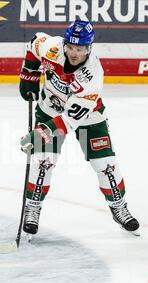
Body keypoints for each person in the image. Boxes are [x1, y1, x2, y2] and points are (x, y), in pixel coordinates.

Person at [18, 20, 139, 236]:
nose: (74, 53)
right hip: (50, 109)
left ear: (89, 48)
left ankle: (119, 207)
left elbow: (69, 121)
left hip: (88, 116)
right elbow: (34, 41)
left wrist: (39, 134)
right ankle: (32, 208)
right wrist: (29, 75)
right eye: (71, 47)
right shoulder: (53, 47)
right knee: (43, 162)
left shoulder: (93, 75)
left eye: (80, 49)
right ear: (65, 43)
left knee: (105, 164)